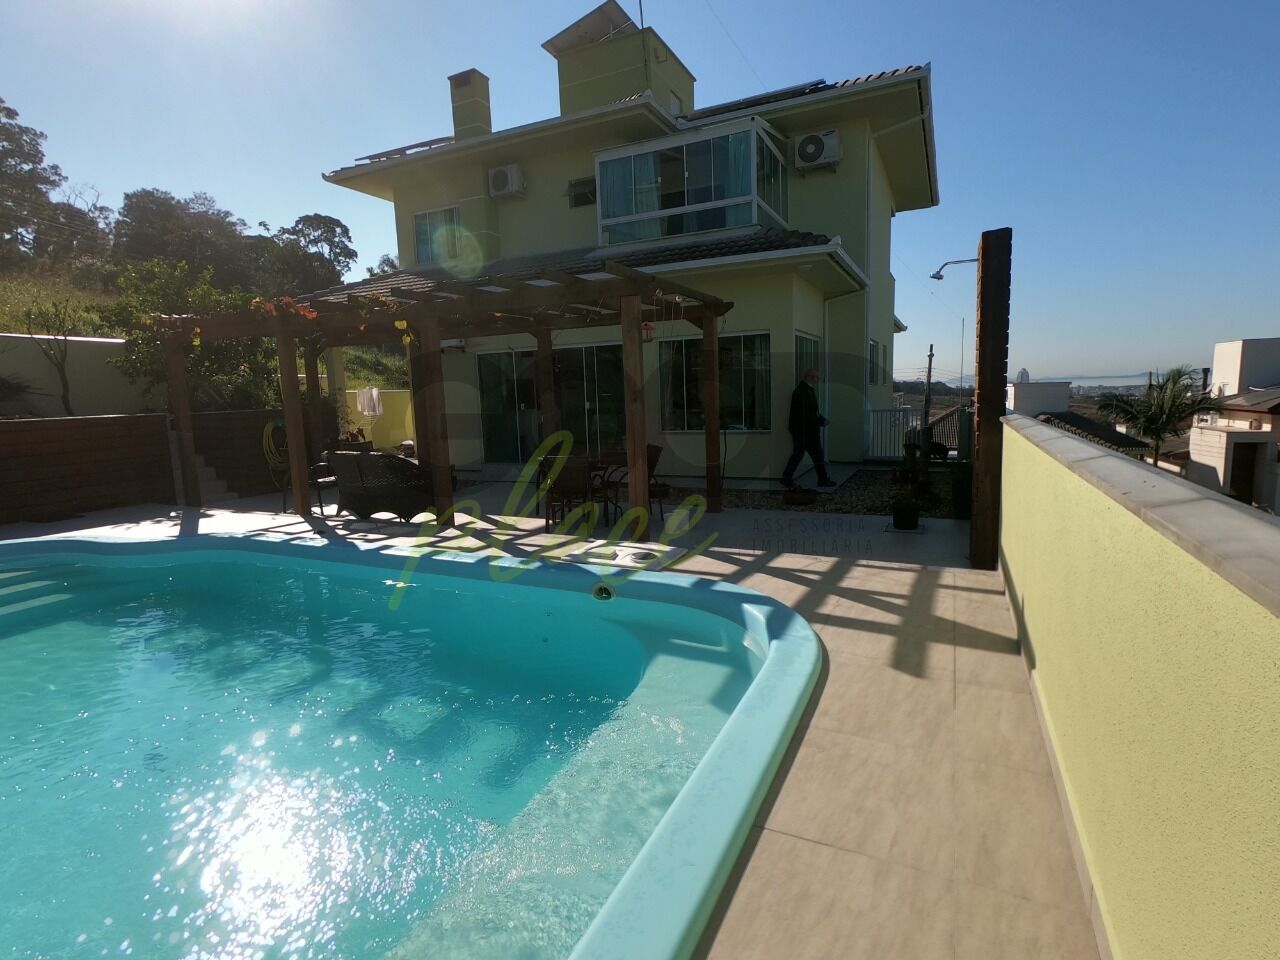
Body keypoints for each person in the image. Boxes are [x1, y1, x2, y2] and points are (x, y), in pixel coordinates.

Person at [782, 368, 834, 488]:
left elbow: (812, 412)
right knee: (816, 455)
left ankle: (786, 477)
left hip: (803, 431)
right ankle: (822, 479)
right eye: (817, 378)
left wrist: (821, 419)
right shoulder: (804, 392)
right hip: (806, 431)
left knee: (799, 455)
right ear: (810, 377)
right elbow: (807, 414)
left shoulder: (804, 390)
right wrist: (821, 421)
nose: (818, 380)